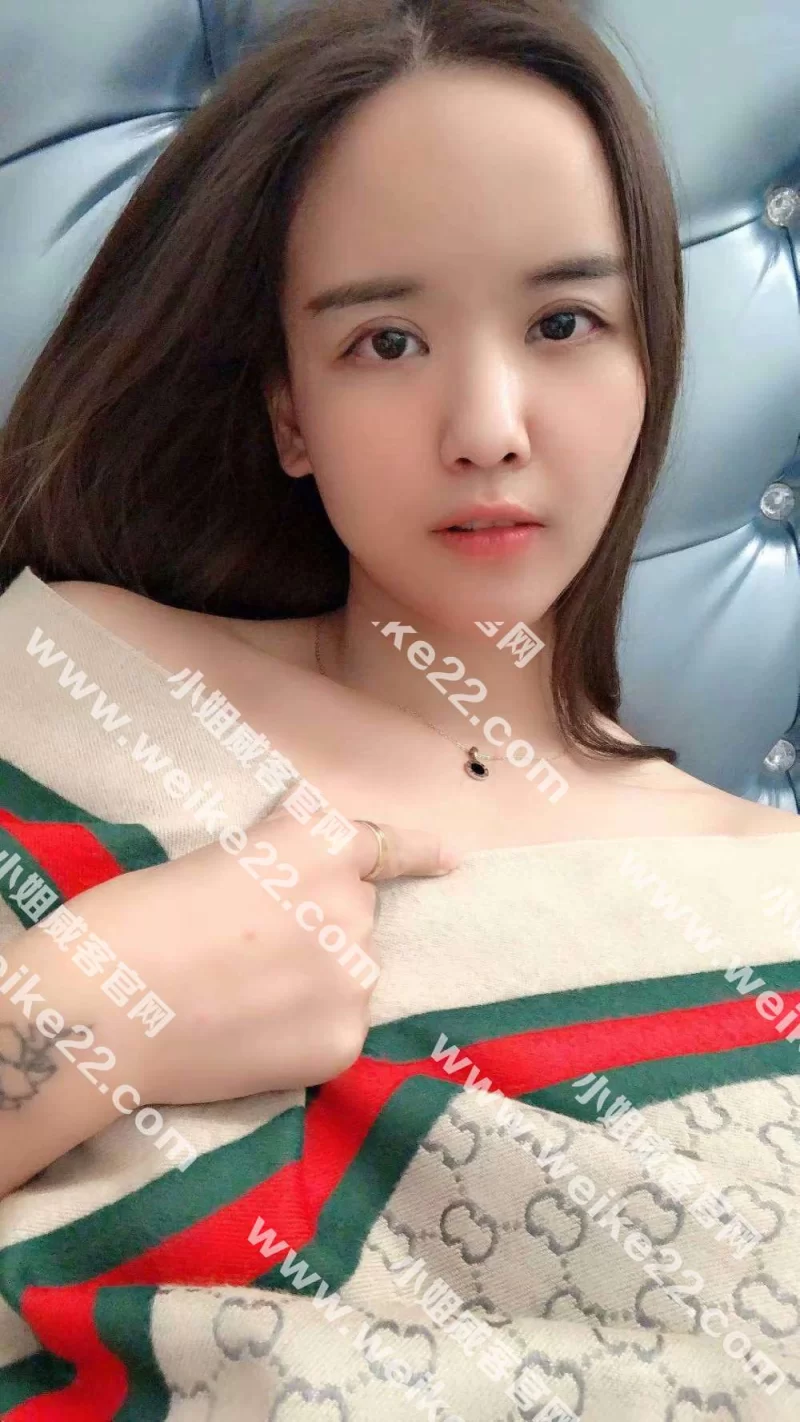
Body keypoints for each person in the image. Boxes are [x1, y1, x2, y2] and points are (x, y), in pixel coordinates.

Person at [0, 0, 797, 1417]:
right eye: (385, 341)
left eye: (563, 323)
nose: (487, 426)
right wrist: (89, 1005)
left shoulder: (768, 887)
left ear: (648, 368)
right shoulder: (69, 681)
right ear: (289, 413)